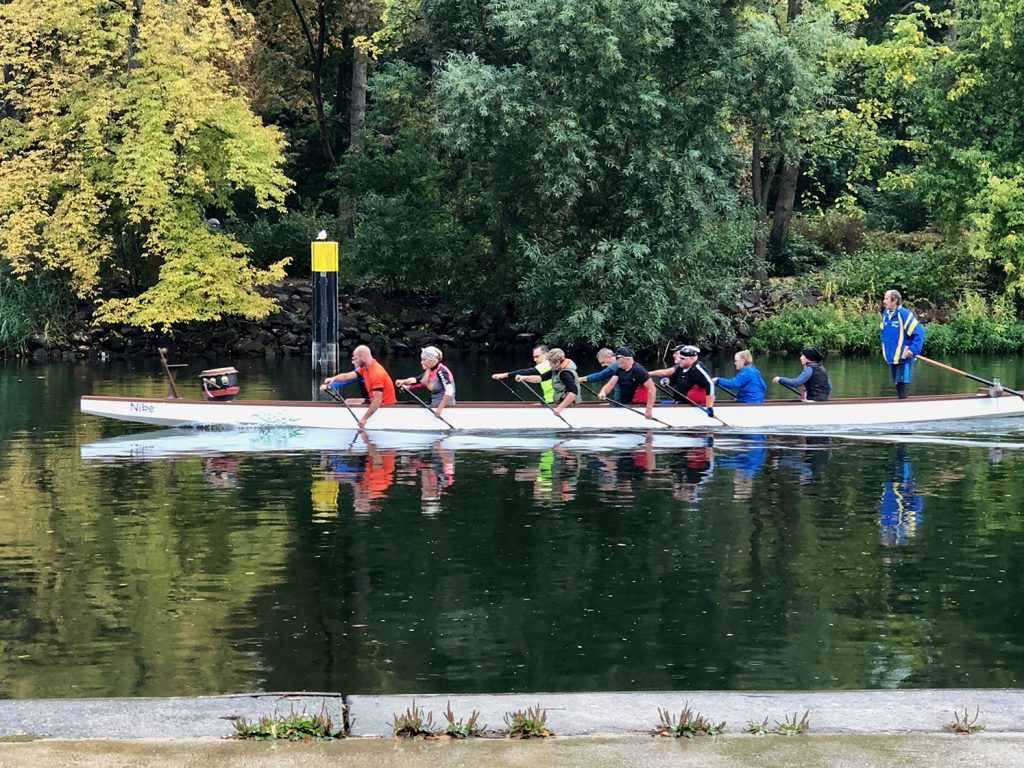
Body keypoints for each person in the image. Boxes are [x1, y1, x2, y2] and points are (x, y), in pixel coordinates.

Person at [320, 345, 397, 428]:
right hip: (375, 401)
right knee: (348, 401)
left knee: (349, 402)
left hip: (385, 404)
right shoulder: (365, 368)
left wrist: (364, 418)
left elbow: (377, 400)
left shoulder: (377, 372)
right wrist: (333, 379)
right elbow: (347, 376)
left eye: (355, 359)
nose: (353, 362)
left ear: (362, 357)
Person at [880, 289, 925, 399]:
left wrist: (912, 349)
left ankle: (904, 406)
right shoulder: (886, 314)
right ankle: (901, 403)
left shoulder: (904, 314)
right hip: (892, 356)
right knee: (897, 383)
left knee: (901, 384)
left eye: (886, 298)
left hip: (904, 356)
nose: (884, 301)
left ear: (894, 300)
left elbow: (919, 332)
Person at [395, 346, 456, 419]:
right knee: (410, 402)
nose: (421, 362)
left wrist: (439, 409)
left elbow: (450, 391)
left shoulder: (441, 372)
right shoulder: (431, 370)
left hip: (442, 407)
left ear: (431, 360)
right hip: (434, 403)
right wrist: (403, 382)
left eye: (424, 360)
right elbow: (415, 380)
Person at [649, 344, 716, 410]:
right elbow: (672, 380)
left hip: (696, 405)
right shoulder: (681, 367)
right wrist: (667, 381)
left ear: (692, 358)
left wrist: (709, 407)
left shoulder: (697, 369)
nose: (680, 360)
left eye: (683, 358)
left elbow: (710, 384)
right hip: (680, 403)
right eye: (680, 358)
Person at [597, 347, 656, 419]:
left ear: (624, 358)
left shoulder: (638, 370)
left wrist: (649, 409)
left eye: (617, 358)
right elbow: (610, 385)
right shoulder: (619, 370)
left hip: (637, 406)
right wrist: (603, 392)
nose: (615, 361)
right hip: (624, 405)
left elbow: (652, 388)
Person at [515, 347, 579, 414]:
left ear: (558, 362)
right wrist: (523, 378)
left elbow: (573, 392)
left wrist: (559, 408)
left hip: (568, 405)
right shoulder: (555, 369)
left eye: (551, 363)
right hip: (558, 402)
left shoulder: (565, 374)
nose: (550, 365)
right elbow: (540, 378)